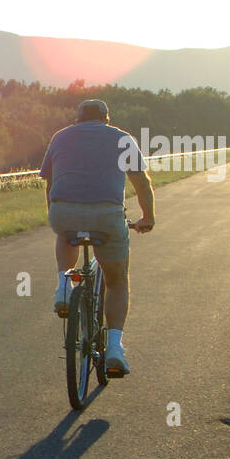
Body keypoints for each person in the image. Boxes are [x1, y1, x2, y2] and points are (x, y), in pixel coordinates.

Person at [40, 98, 155, 375]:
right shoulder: (122, 138)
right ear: (106, 118)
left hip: (63, 211)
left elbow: (50, 183)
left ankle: (63, 287)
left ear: (78, 118)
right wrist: (147, 218)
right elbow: (141, 182)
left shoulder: (60, 137)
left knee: (66, 236)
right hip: (106, 214)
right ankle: (114, 348)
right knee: (116, 282)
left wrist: (56, 214)